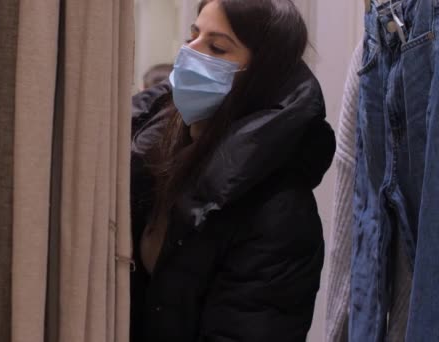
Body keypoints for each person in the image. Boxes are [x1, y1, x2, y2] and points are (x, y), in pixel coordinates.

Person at [130, 0, 336, 341]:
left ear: (261, 75)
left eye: (217, 47)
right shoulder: (159, 148)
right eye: (193, 35)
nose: (190, 52)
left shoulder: (280, 213)